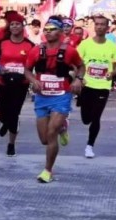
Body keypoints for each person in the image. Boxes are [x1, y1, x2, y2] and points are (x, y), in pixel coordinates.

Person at [24, 16, 84, 183]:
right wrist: (33, 80)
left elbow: (81, 66)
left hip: (61, 96)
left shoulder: (69, 51)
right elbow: (27, 70)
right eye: (46, 30)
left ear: (60, 32)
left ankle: (47, 170)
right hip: (42, 97)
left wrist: (78, 79)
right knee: (44, 139)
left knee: (51, 134)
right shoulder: (36, 50)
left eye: (53, 29)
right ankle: (63, 128)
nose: (49, 33)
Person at [76, 16, 116, 159]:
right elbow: (76, 62)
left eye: (103, 24)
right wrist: (78, 78)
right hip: (86, 85)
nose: (100, 27)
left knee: (96, 117)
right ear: (93, 26)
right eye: (97, 24)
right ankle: (86, 121)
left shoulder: (112, 46)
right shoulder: (85, 44)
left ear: (107, 27)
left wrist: (112, 73)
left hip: (102, 86)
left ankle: (89, 146)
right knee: (86, 119)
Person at [0, 12, 34, 157]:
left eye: (18, 24)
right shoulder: (2, 43)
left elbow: (34, 65)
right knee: (2, 114)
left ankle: (11, 144)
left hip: (21, 84)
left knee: (14, 113)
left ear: (23, 26)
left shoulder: (30, 45)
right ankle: (4, 121)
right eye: (12, 24)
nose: (15, 27)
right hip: (3, 83)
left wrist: (34, 80)